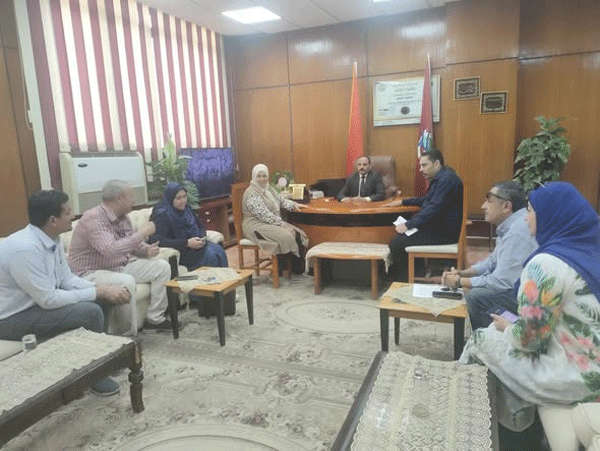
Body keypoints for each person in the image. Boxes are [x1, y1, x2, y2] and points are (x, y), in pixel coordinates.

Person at [459, 182, 600, 445]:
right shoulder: (589, 252)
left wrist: (507, 328)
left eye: (531, 211)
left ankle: (477, 431)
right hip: (590, 364)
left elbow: (529, 340)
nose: (526, 218)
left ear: (551, 216)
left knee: (481, 339)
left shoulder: (546, 264)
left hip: (575, 377)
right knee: (497, 335)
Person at [0, 190, 131, 396]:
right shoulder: (24, 249)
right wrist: (97, 291)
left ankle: (98, 358)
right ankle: (93, 375)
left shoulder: (53, 239)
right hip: (11, 318)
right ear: (53, 220)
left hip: (36, 306)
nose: (73, 216)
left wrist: (102, 290)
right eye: (68, 212)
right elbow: (48, 299)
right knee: (91, 312)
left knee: (103, 300)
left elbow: (66, 280)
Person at [69, 180, 175, 332]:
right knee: (126, 281)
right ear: (119, 198)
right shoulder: (94, 219)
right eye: (131, 196)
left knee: (162, 267)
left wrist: (146, 250)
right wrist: (142, 233)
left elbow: (132, 244)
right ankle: (127, 334)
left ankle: (155, 318)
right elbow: (111, 249)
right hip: (90, 272)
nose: (134, 201)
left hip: (118, 266)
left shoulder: (123, 218)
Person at [442, 181, 537, 330]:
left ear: (506, 206)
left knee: (477, 297)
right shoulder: (511, 225)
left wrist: (459, 281)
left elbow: (500, 282)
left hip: (529, 298)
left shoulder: (518, 231)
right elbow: (492, 262)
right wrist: (463, 273)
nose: (483, 206)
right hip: (518, 287)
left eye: (489, 201)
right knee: (474, 289)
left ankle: (494, 338)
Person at [388, 149, 463, 282]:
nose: (421, 169)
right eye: (420, 166)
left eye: (424, 165)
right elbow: (428, 200)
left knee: (396, 243)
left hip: (445, 232)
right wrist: (404, 201)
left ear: (437, 164)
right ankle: (417, 273)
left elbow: (434, 209)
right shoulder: (442, 177)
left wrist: (408, 225)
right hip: (438, 226)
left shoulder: (447, 180)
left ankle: (404, 280)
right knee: (400, 235)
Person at [242, 164, 308, 273]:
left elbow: (281, 200)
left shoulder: (268, 188)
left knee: (297, 233)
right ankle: (282, 270)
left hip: (269, 222)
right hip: (255, 225)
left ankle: (294, 270)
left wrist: (294, 205)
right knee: (287, 236)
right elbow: (263, 214)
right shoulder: (251, 193)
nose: (262, 179)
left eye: (264, 176)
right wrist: (282, 224)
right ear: (253, 177)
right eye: (259, 176)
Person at [150, 182, 228, 270]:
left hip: (197, 247)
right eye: (179, 198)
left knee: (219, 251)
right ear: (170, 198)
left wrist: (201, 238)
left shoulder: (186, 209)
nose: (183, 201)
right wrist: (187, 243)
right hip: (181, 251)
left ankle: (225, 278)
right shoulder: (162, 214)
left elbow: (200, 226)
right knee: (211, 256)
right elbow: (158, 240)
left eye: (184, 196)